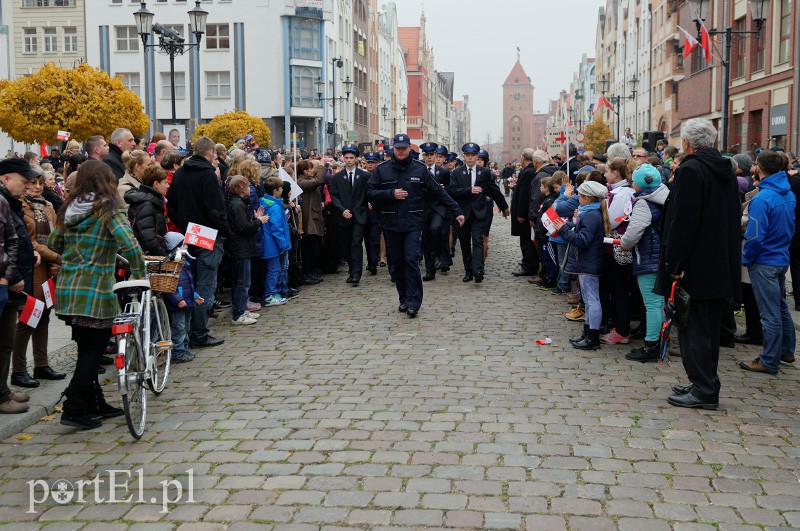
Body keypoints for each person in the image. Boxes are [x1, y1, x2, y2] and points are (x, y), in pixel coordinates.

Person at [48, 160, 146, 429]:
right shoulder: (109, 209)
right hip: (95, 289)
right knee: (93, 350)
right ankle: (74, 408)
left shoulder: (68, 207)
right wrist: (139, 276)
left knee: (85, 348)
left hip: (68, 288)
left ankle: (95, 402)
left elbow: (55, 243)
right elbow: (131, 245)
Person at [658, 118, 741, 410]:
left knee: (694, 327)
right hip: (719, 259)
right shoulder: (724, 168)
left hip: (696, 261)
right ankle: (704, 382)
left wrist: (675, 261)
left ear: (688, 143)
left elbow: (684, 221)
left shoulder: (691, 169)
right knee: (706, 327)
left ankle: (704, 389)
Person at [367, 133, 464, 317]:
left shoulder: (419, 169)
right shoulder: (382, 170)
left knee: (411, 260)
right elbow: (370, 192)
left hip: (413, 223)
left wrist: (457, 211)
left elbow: (439, 192)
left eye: (404, 148)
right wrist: (390, 194)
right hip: (391, 223)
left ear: (409, 148)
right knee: (396, 264)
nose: (402, 151)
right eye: (398, 148)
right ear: (393, 148)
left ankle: (414, 302)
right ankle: (403, 298)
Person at [166, 136, 230, 349]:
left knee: (190, 285)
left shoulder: (180, 173)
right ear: (211, 153)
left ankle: (190, 332)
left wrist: (185, 226)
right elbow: (216, 210)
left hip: (188, 235)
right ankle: (199, 333)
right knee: (204, 286)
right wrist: (225, 232)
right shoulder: (208, 175)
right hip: (209, 236)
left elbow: (172, 206)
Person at [739, 150, 796, 374]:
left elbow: (754, 235)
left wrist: (747, 258)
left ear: (759, 168)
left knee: (769, 312)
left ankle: (769, 359)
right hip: (781, 256)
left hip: (764, 260)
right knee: (780, 308)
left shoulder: (762, 198)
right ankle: (785, 350)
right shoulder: (787, 193)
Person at [10, 170, 65, 388]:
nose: (37, 187)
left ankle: (41, 364)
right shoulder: (20, 207)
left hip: (47, 269)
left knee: (44, 316)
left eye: (40, 183)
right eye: (32, 183)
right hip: (31, 267)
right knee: (27, 319)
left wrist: (54, 262)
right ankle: (19, 370)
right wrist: (58, 257)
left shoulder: (47, 206)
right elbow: (29, 242)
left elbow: (55, 237)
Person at [0, 159, 40, 414]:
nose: (27, 185)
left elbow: (14, 240)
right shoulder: (4, 201)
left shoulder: (10, 202)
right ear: (5, 178)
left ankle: (2, 391)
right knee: (4, 341)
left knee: (6, 341)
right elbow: (6, 244)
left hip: (11, 280)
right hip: (7, 282)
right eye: (23, 180)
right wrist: (9, 278)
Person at [551, 180, 611, 350]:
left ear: (586, 198)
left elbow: (583, 240)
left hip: (589, 263)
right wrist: (567, 226)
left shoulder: (591, 215)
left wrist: (563, 230)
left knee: (592, 300)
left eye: (580, 196)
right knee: (589, 299)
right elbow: (581, 231)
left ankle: (593, 336)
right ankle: (588, 332)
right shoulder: (590, 213)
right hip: (587, 262)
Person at [619, 164, 669, 362]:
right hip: (662, 258)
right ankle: (660, 341)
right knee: (659, 304)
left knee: (652, 304)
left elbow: (633, 233)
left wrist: (624, 243)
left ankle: (651, 345)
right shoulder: (664, 197)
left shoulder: (644, 203)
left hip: (648, 258)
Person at [447, 142, 509, 284]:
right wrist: (469, 190)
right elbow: (451, 192)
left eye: (473, 155)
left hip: (479, 212)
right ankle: (468, 271)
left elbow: (494, 190)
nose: (470, 158)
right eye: (467, 155)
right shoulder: (457, 173)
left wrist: (504, 207)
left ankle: (478, 270)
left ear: (476, 157)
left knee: (478, 241)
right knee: (464, 243)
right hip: (462, 214)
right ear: (464, 156)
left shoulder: (485, 172)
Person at [600, 157, 636, 345]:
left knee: (619, 289)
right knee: (616, 288)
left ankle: (622, 330)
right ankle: (618, 326)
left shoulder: (622, 194)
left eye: (607, 171)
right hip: (613, 247)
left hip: (616, 248)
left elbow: (611, 221)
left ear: (616, 173)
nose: (605, 174)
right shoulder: (617, 192)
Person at [226, 175, 269, 324]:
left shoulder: (239, 203)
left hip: (243, 246)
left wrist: (255, 219)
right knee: (242, 283)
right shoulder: (237, 205)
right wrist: (259, 221)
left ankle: (242, 309)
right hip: (240, 247)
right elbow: (243, 227)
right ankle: (238, 314)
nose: (250, 190)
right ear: (240, 190)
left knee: (243, 282)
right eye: (247, 187)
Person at [329, 144, 369, 285]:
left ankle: (356, 273)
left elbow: (368, 193)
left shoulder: (364, 175)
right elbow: (334, 195)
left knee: (356, 244)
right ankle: (352, 270)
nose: (349, 160)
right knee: (346, 245)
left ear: (356, 158)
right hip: (344, 215)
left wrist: (369, 204)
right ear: (343, 158)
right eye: (346, 158)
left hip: (359, 215)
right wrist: (342, 209)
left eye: (351, 158)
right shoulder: (337, 177)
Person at [162, 232, 199, 363]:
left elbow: (189, 284)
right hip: (179, 304)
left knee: (186, 327)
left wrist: (195, 296)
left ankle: (184, 349)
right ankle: (178, 352)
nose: (186, 246)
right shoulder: (171, 267)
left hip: (187, 301)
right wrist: (178, 299)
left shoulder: (184, 263)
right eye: (184, 244)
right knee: (179, 328)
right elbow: (170, 288)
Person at [419, 142, 451, 281]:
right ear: (423, 156)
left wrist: (444, 189)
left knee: (436, 229)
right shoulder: (418, 170)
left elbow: (451, 190)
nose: (430, 157)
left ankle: (440, 255)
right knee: (425, 239)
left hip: (439, 208)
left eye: (432, 154)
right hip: (424, 208)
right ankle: (430, 271)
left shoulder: (443, 172)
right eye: (427, 155)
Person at [260, 177, 291, 307]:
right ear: (275, 190)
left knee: (274, 269)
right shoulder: (274, 207)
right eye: (280, 188)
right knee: (274, 270)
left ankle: (273, 292)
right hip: (272, 244)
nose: (282, 190)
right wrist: (283, 245)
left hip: (269, 243)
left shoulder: (265, 202)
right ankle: (270, 295)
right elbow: (276, 228)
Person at [125, 165, 169, 255]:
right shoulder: (147, 205)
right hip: (149, 258)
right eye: (165, 182)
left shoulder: (151, 201)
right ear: (156, 184)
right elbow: (148, 240)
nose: (168, 186)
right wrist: (164, 255)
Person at [296, 159, 327, 285]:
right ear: (304, 171)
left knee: (314, 247)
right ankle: (306, 273)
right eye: (310, 169)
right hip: (309, 218)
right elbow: (318, 181)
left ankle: (311, 270)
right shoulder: (301, 182)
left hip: (314, 215)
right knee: (309, 248)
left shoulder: (307, 180)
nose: (312, 171)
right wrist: (322, 167)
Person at [363, 152, 384, 275]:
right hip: (363, 211)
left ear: (377, 163)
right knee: (366, 238)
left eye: (373, 162)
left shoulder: (381, 176)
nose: (370, 165)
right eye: (368, 162)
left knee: (375, 238)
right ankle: (371, 262)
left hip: (377, 211)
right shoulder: (361, 176)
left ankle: (373, 263)